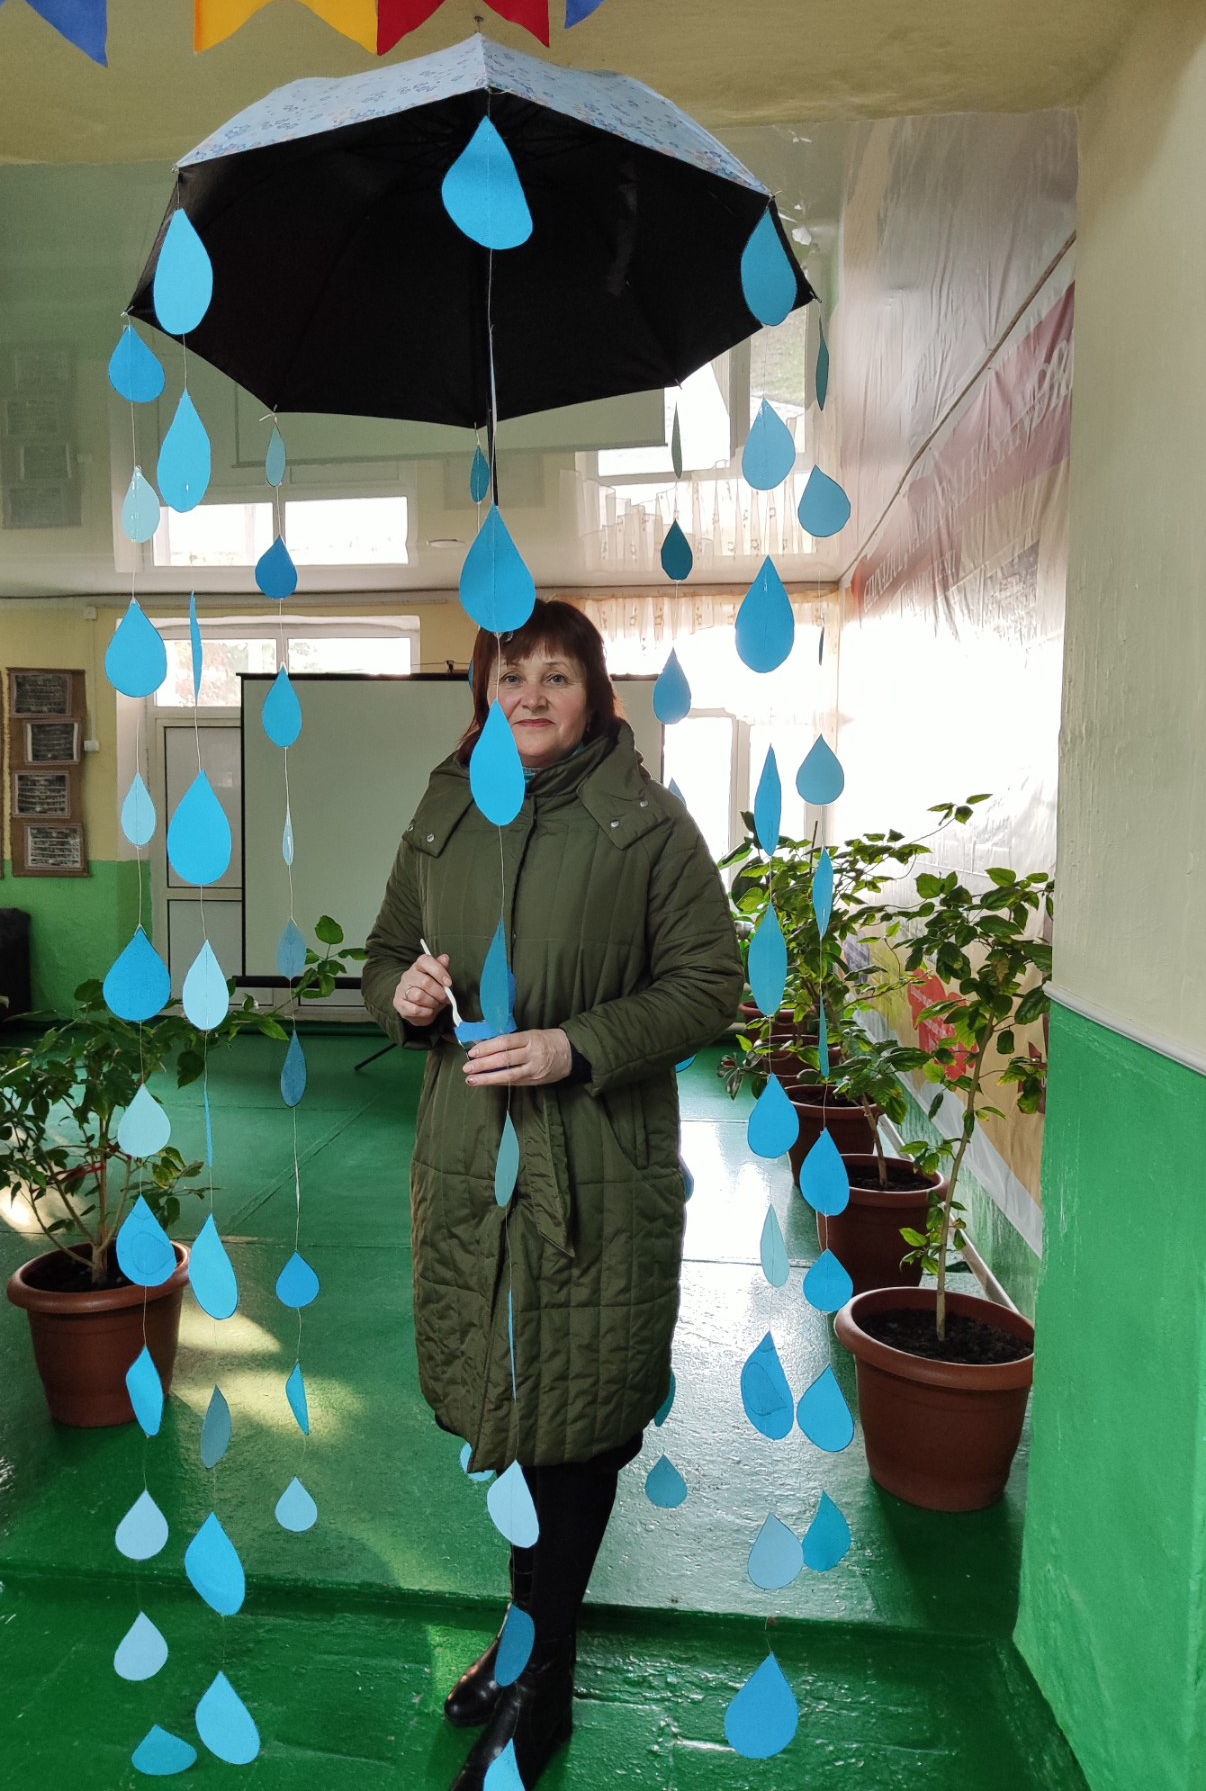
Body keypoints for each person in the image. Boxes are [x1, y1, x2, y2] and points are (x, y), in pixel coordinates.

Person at [362, 599, 743, 1790]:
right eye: (510, 673)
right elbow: (383, 952)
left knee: (576, 1426)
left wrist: (576, 1046)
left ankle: (546, 1691)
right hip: (470, 1165)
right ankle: (525, 1640)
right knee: (514, 1413)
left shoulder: (647, 825)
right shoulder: (445, 809)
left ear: (596, 694)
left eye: (557, 675)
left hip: (596, 1170)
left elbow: (710, 982)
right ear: (483, 690)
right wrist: (403, 998)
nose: (530, 695)